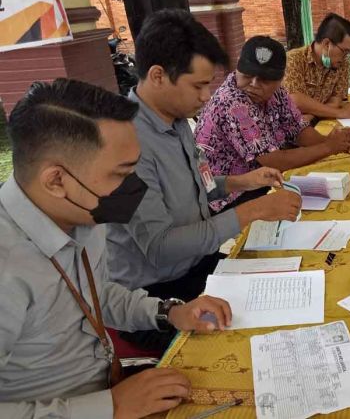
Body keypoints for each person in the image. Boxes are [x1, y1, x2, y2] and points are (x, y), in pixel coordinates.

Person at [0, 78, 233, 419]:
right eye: (120, 174)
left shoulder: (82, 210)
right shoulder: (7, 270)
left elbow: (97, 293)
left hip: (109, 382)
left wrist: (169, 312)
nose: (133, 189)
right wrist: (109, 407)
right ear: (56, 181)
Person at [106, 10, 301, 304]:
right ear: (158, 76)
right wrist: (254, 210)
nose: (207, 96)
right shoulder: (122, 144)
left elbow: (197, 185)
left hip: (197, 265)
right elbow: (159, 246)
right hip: (156, 294)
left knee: (290, 281)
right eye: (198, 85)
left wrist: (241, 182)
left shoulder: (176, 119)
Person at [195, 36, 350, 210]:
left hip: (260, 181)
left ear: (280, 79)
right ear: (237, 69)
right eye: (248, 75)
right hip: (228, 197)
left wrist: (331, 141)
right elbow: (274, 161)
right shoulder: (232, 103)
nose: (254, 84)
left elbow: (298, 130)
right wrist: (328, 147)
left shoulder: (277, 93)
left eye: (265, 79)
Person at [283, 13, 350, 122]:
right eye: (344, 51)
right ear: (327, 44)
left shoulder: (343, 64)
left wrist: (312, 115)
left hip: (312, 122)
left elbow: (335, 101)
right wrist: (341, 113)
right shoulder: (293, 59)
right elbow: (295, 100)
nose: (345, 57)